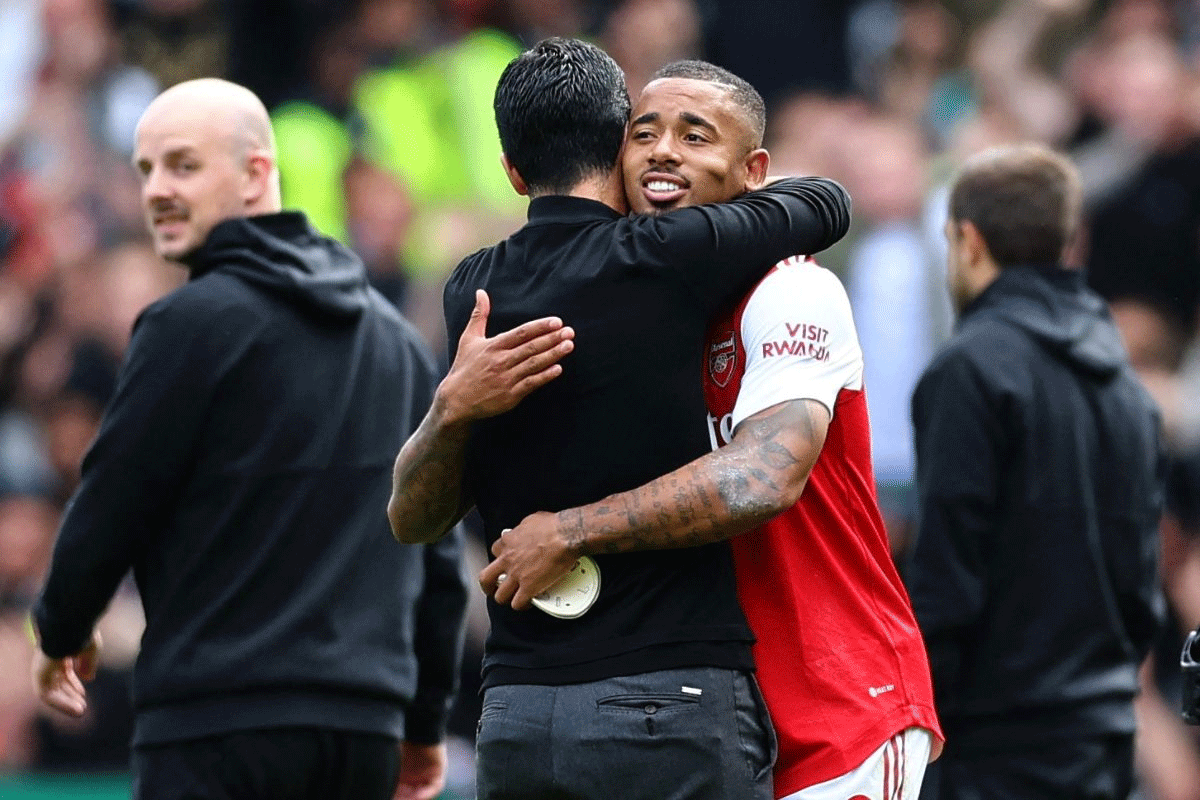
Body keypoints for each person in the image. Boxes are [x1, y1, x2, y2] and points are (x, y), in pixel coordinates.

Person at [388, 38, 851, 800]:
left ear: (512, 172)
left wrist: (449, 409)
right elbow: (825, 203)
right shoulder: (669, 253)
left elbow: (414, 520)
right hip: (669, 699)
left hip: (517, 711)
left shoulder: (470, 290)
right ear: (619, 146)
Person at [477, 60, 943, 800]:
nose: (665, 151)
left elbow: (762, 476)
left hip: (836, 699)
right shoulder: (642, 302)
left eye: (695, 136)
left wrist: (568, 531)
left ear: (752, 171)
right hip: (714, 707)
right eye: (645, 133)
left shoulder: (794, 289)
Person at [30, 78, 468, 800]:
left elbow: (114, 499)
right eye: (146, 170)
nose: (157, 190)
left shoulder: (189, 323)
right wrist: (420, 729)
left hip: (219, 729)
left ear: (257, 171)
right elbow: (438, 557)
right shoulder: (397, 345)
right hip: (363, 736)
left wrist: (59, 631)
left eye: (183, 165)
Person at [904, 143, 1165, 800]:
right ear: (1066, 242)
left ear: (968, 240)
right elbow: (1140, 586)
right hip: (1099, 739)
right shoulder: (1125, 385)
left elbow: (946, 574)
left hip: (992, 749)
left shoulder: (970, 369)